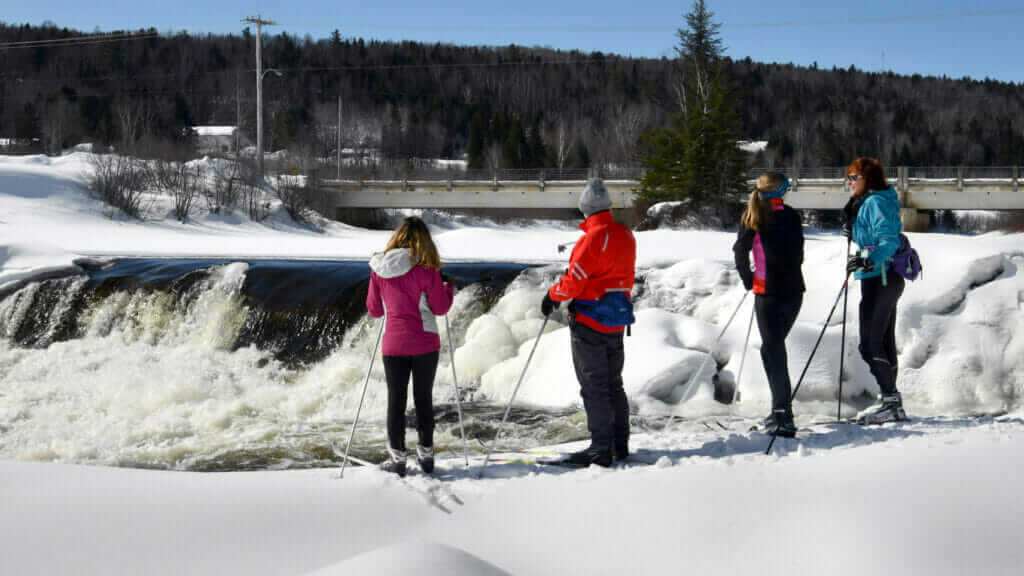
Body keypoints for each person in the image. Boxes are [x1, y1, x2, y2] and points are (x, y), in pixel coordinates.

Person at [542, 178, 637, 467]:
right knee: (614, 383)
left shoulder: (591, 239)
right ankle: (619, 444)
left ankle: (600, 449)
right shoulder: (626, 235)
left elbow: (574, 282)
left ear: (585, 209)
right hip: (617, 319)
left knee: (594, 386)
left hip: (589, 320)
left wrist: (552, 295)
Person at [366, 216, 454, 476]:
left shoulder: (379, 269)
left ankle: (398, 458)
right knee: (423, 398)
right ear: (424, 240)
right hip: (425, 342)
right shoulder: (427, 269)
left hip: (394, 344)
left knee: (396, 400)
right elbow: (440, 307)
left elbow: (374, 310)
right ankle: (426, 456)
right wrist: (448, 289)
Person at [733, 172, 805, 437]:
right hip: (794, 292)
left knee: (773, 351)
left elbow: (739, 251)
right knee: (771, 350)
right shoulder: (792, 215)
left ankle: (783, 416)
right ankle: (779, 411)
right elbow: (799, 254)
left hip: (768, 293)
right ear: (780, 192)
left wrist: (748, 279)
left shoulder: (753, 216)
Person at [843, 157, 907, 424]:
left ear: (866, 179)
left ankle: (891, 401)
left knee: (870, 344)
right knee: (882, 342)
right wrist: (856, 240)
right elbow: (872, 242)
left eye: (852, 178)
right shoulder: (869, 202)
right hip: (878, 278)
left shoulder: (876, 203)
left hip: (882, 278)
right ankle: (891, 401)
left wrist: (866, 261)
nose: (848, 183)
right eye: (847, 178)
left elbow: (889, 242)